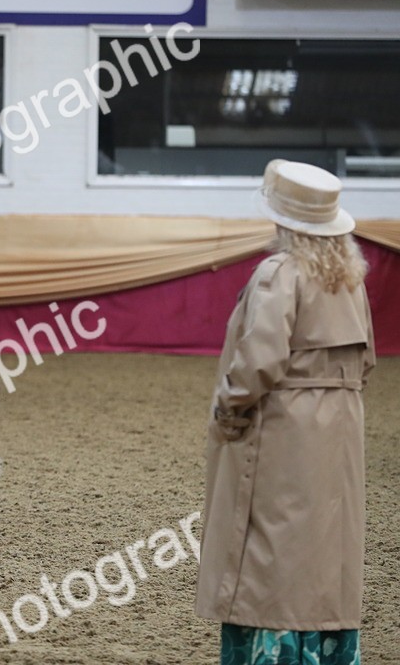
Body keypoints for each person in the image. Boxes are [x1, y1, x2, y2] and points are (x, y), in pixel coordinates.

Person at [196, 160, 375, 665]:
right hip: (339, 428)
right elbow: (367, 363)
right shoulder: (353, 279)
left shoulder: (279, 273)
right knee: (324, 553)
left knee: (265, 553)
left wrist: (228, 414)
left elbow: (258, 362)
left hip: (281, 428)